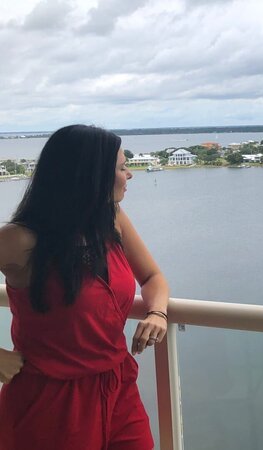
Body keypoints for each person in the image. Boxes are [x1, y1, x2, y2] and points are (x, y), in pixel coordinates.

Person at [0, 124, 170, 449]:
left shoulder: (111, 219)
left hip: (119, 388)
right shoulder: (19, 240)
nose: (129, 175)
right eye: (122, 167)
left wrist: (158, 312)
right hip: (49, 405)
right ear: (89, 175)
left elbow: (152, 278)